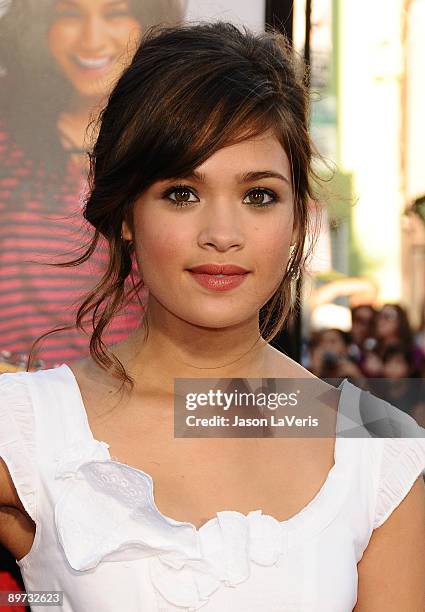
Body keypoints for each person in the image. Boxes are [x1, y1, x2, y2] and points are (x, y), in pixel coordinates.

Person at [0, 21, 424, 611]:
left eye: (259, 196)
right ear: (127, 215)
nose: (222, 235)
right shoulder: (24, 425)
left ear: (298, 218)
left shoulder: (377, 443)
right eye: (181, 193)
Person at [0, 0, 187, 368]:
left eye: (116, 13)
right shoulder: (7, 142)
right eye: (69, 14)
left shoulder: (181, 146)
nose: (92, 38)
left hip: (139, 399)